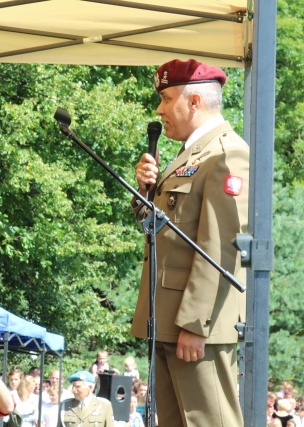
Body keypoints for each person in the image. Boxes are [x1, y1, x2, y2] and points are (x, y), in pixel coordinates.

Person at [131, 58, 249, 427]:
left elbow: (221, 245)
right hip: (169, 317)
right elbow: (162, 227)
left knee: (209, 422)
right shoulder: (190, 155)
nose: (159, 109)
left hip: (196, 324)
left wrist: (196, 323)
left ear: (194, 102)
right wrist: (144, 191)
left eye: (166, 99)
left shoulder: (227, 154)